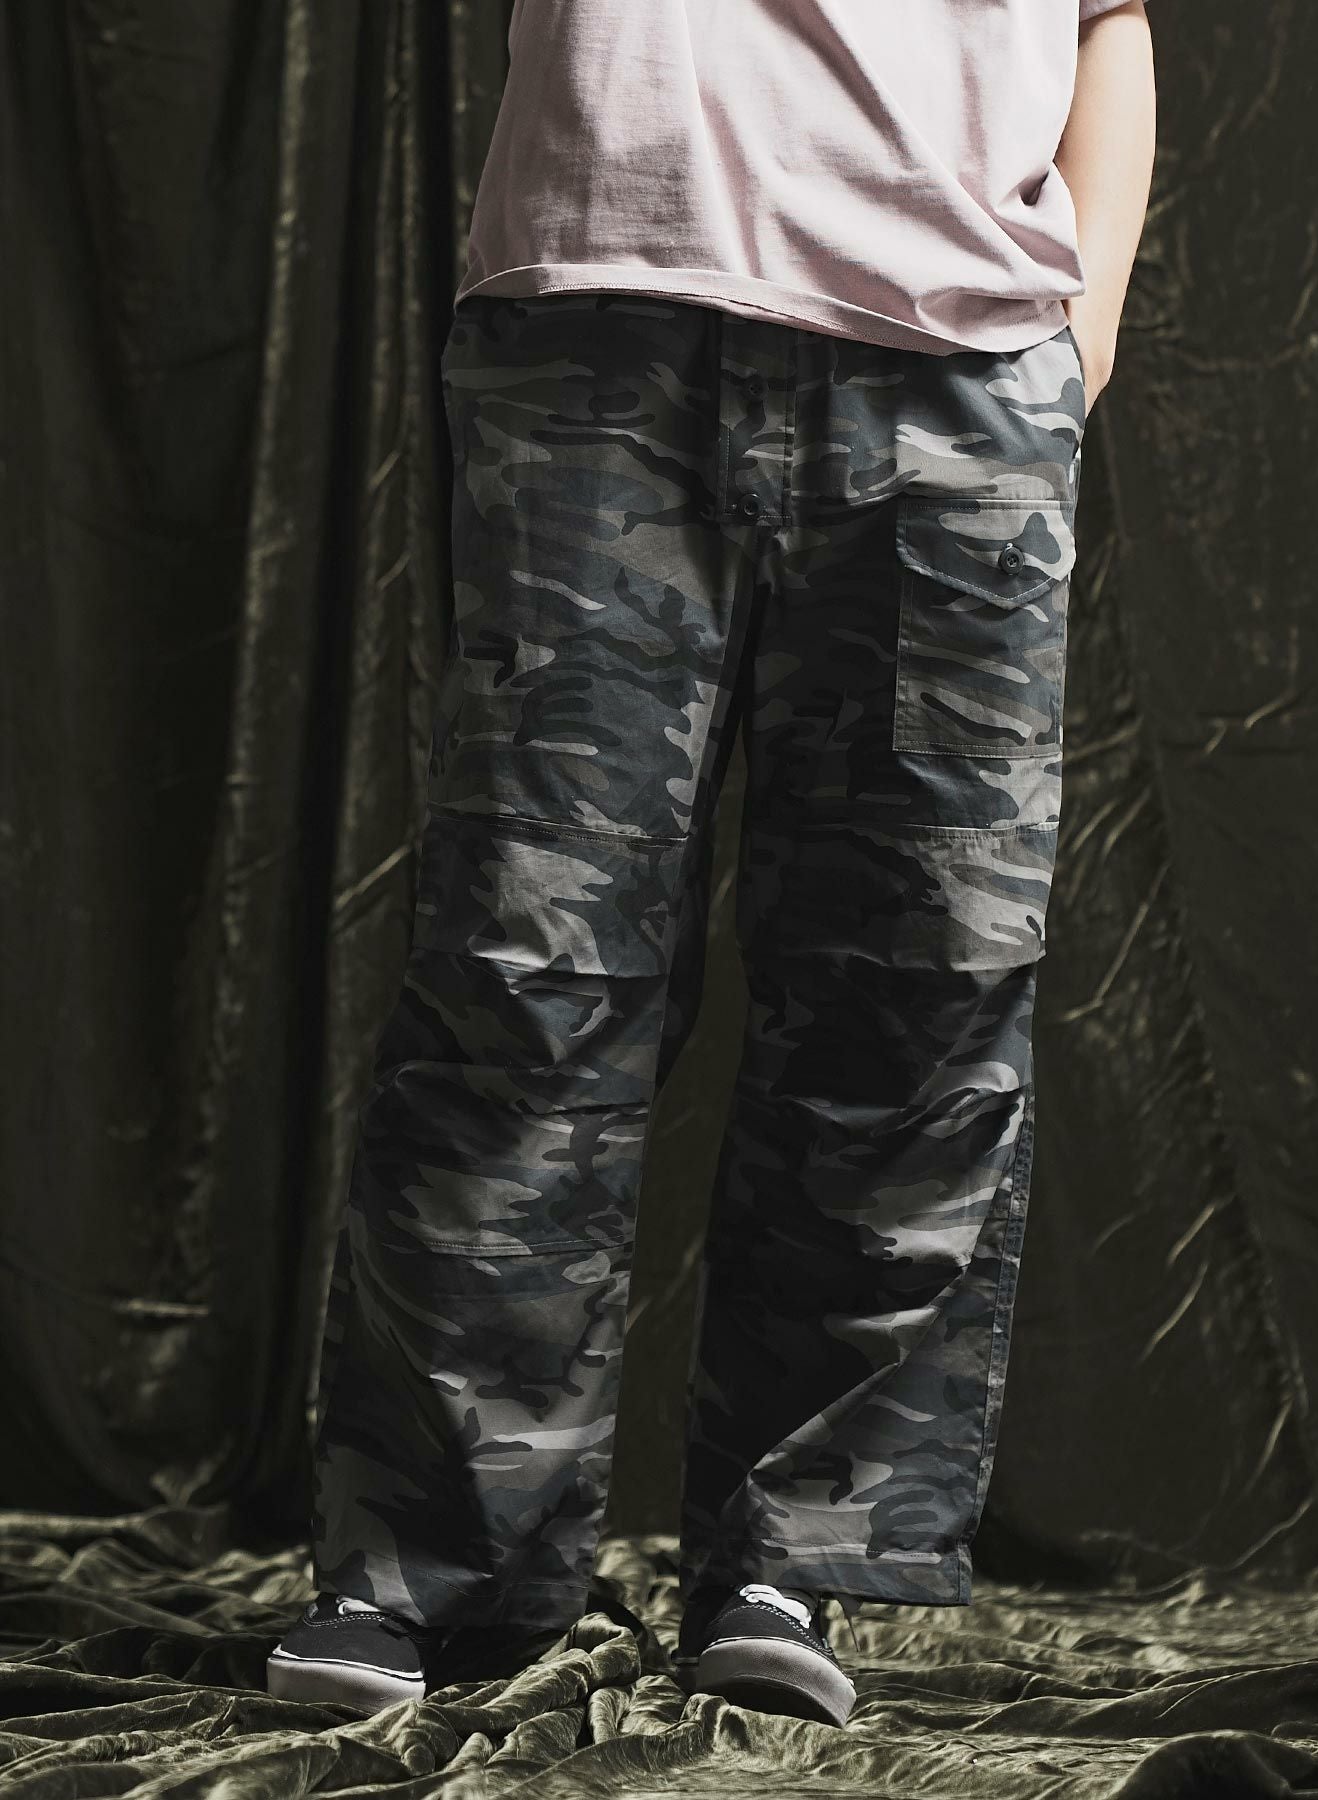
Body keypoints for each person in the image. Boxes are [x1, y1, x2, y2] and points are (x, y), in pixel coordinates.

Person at [268, 0, 1156, 1727]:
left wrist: (1083, 332)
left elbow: (1112, 20)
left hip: (962, 368)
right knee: (526, 974)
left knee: (914, 984)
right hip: (602, 327)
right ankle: (422, 1575)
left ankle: (787, 1563)